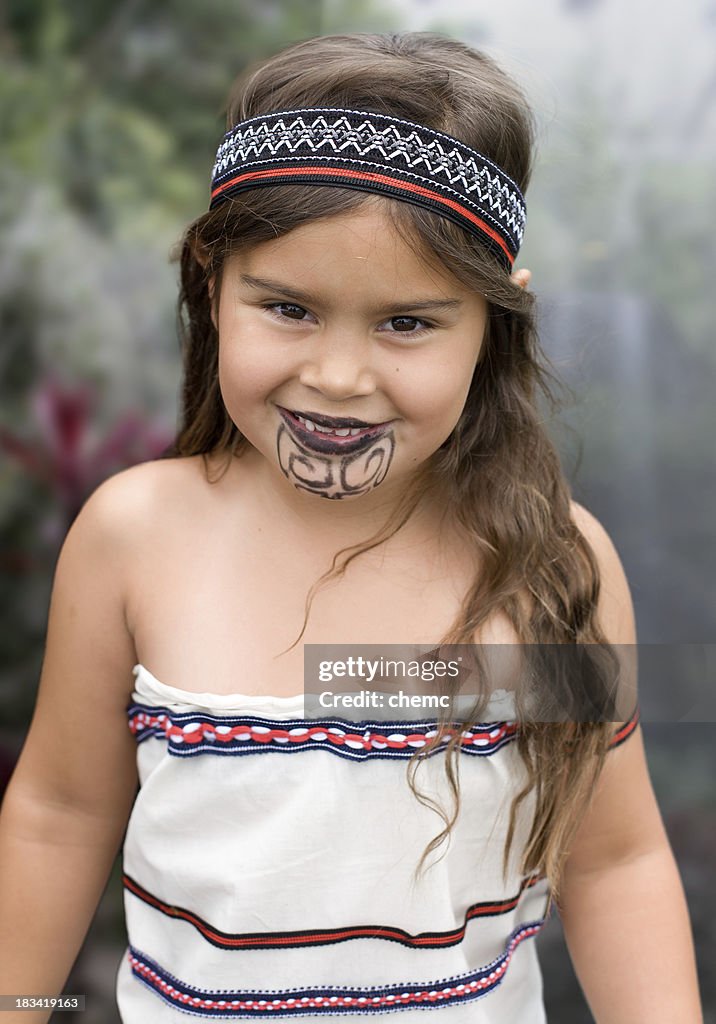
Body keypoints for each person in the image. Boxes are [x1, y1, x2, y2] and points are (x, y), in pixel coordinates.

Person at [0, 31, 703, 1024]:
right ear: (210, 282)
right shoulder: (136, 539)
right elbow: (61, 814)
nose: (337, 375)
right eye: (287, 307)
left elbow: (612, 861)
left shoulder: (549, 568)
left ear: (493, 324)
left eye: (406, 323)